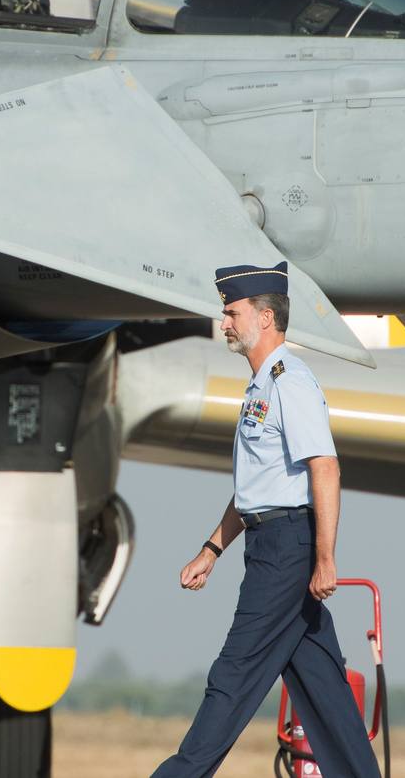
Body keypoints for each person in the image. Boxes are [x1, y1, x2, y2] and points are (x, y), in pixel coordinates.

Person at [150, 261, 381, 778]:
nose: (224, 322)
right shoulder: (260, 387)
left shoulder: (289, 382)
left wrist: (325, 559)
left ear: (266, 316)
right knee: (326, 693)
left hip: (287, 550)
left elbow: (325, 468)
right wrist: (211, 551)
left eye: (232, 312)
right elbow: (253, 491)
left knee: (232, 676)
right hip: (270, 543)